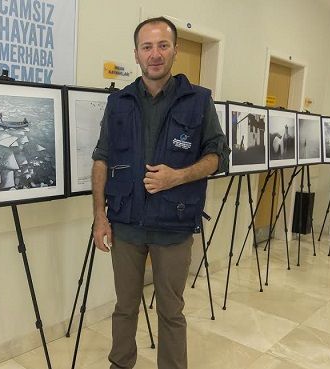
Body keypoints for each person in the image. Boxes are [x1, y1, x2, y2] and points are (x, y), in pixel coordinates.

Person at [91, 16, 230, 369]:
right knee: (125, 306)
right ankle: (120, 363)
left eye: (162, 45)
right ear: (136, 54)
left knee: (171, 310)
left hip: (174, 225)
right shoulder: (118, 102)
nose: (155, 54)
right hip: (125, 223)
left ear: (175, 51)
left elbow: (218, 156)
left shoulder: (198, 101)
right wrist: (99, 218)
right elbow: (101, 159)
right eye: (147, 47)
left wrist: (177, 177)